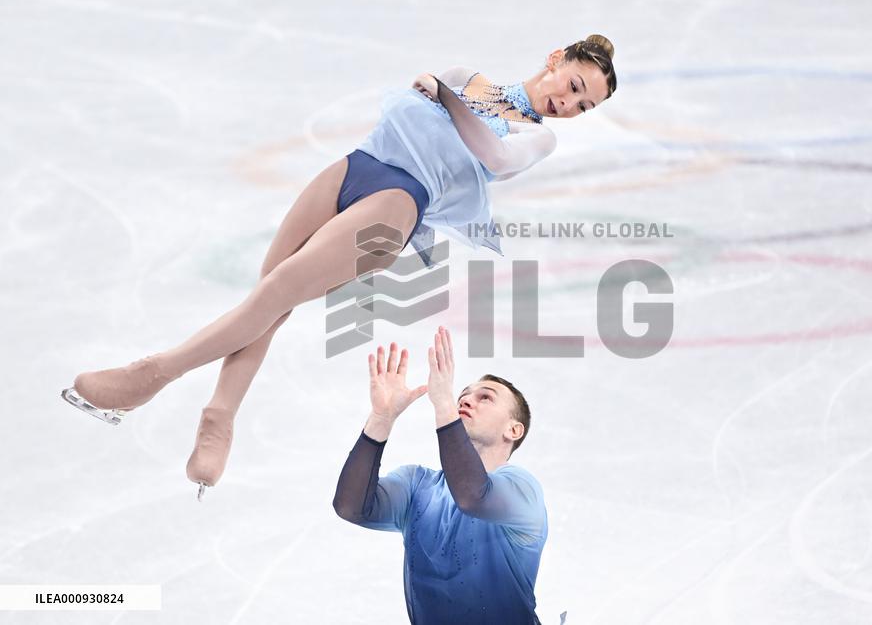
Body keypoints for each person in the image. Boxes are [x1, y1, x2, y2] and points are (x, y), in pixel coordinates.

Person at [61, 35, 617, 499]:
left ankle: (152, 374)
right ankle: (219, 416)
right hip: (354, 166)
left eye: (583, 106)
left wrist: (444, 96)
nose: (569, 106)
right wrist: (446, 89)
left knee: (275, 292)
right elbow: (424, 96)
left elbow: (495, 157)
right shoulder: (467, 76)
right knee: (268, 300)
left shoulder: (535, 136)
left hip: (398, 204)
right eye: (574, 87)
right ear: (555, 61)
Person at [334, 327, 547, 625]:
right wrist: (381, 420)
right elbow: (351, 507)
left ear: (513, 430)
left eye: (485, 397)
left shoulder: (522, 490)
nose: (467, 401)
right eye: (462, 397)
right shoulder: (416, 486)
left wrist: (445, 405)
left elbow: (473, 496)